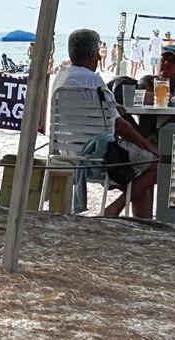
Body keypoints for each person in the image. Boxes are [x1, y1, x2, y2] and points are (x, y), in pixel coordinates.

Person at [52, 29, 158, 218]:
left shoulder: (61, 78)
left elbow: (91, 111)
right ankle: (113, 209)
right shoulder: (94, 81)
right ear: (93, 55)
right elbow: (119, 126)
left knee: (135, 182)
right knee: (156, 163)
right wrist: (150, 147)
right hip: (98, 155)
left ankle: (140, 222)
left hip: (66, 152)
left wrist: (114, 108)